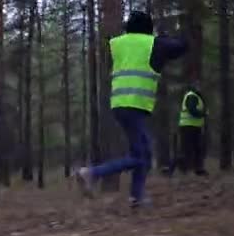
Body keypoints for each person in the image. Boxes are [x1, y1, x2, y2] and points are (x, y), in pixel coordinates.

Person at [74, 11, 188, 208]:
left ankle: (137, 197)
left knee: (141, 151)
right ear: (147, 28)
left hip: (119, 103)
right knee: (140, 155)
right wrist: (167, 34)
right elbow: (182, 46)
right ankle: (92, 173)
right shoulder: (153, 43)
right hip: (136, 102)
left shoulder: (117, 43)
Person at [168, 82, 208, 176]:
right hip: (188, 127)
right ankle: (171, 169)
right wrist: (203, 114)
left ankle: (199, 169)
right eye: (198, 86)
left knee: (197, 149)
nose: (200, 88)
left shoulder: (196, 97)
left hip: (194, 126)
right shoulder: (191, 96)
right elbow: (192, 110)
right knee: (186, 150)